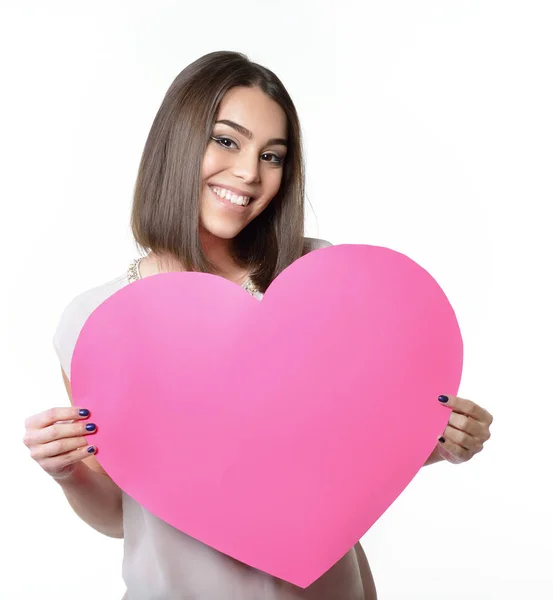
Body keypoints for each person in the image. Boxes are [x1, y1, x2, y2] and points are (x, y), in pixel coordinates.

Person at [23, 51, 493, 600]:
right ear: (175, 144)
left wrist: (435, 439)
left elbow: (347, 451)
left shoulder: (322, 281)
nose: (249, 172)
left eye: (272, 155)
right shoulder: (95, 322)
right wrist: (67, 471)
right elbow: (118, 517)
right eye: (226, 140)